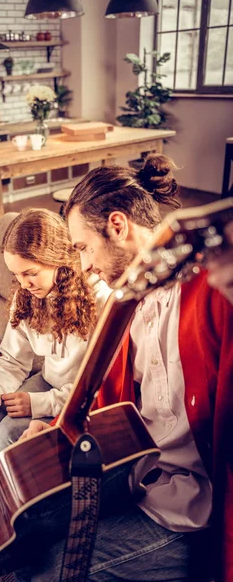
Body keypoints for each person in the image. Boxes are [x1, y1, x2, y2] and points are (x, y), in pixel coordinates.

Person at [16, 155, 233, 582]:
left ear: (117, 226)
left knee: (47, 572)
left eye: (83, 248)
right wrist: (59, 426)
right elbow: (105, 398)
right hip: (136, 471)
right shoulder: (123, 303)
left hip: (191, 507)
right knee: (25, 526)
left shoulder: (212, 292)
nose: (84, 265)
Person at [0, 208, 111, 581]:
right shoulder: (28, 298)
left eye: (31, 273)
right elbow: (12, 361)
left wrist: (39, 404)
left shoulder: (101, 300)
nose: (24, 283)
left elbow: (98, 388)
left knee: (11, 430)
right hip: (49, 383)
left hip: (79, 399)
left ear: (60, 259)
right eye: (16, 274)